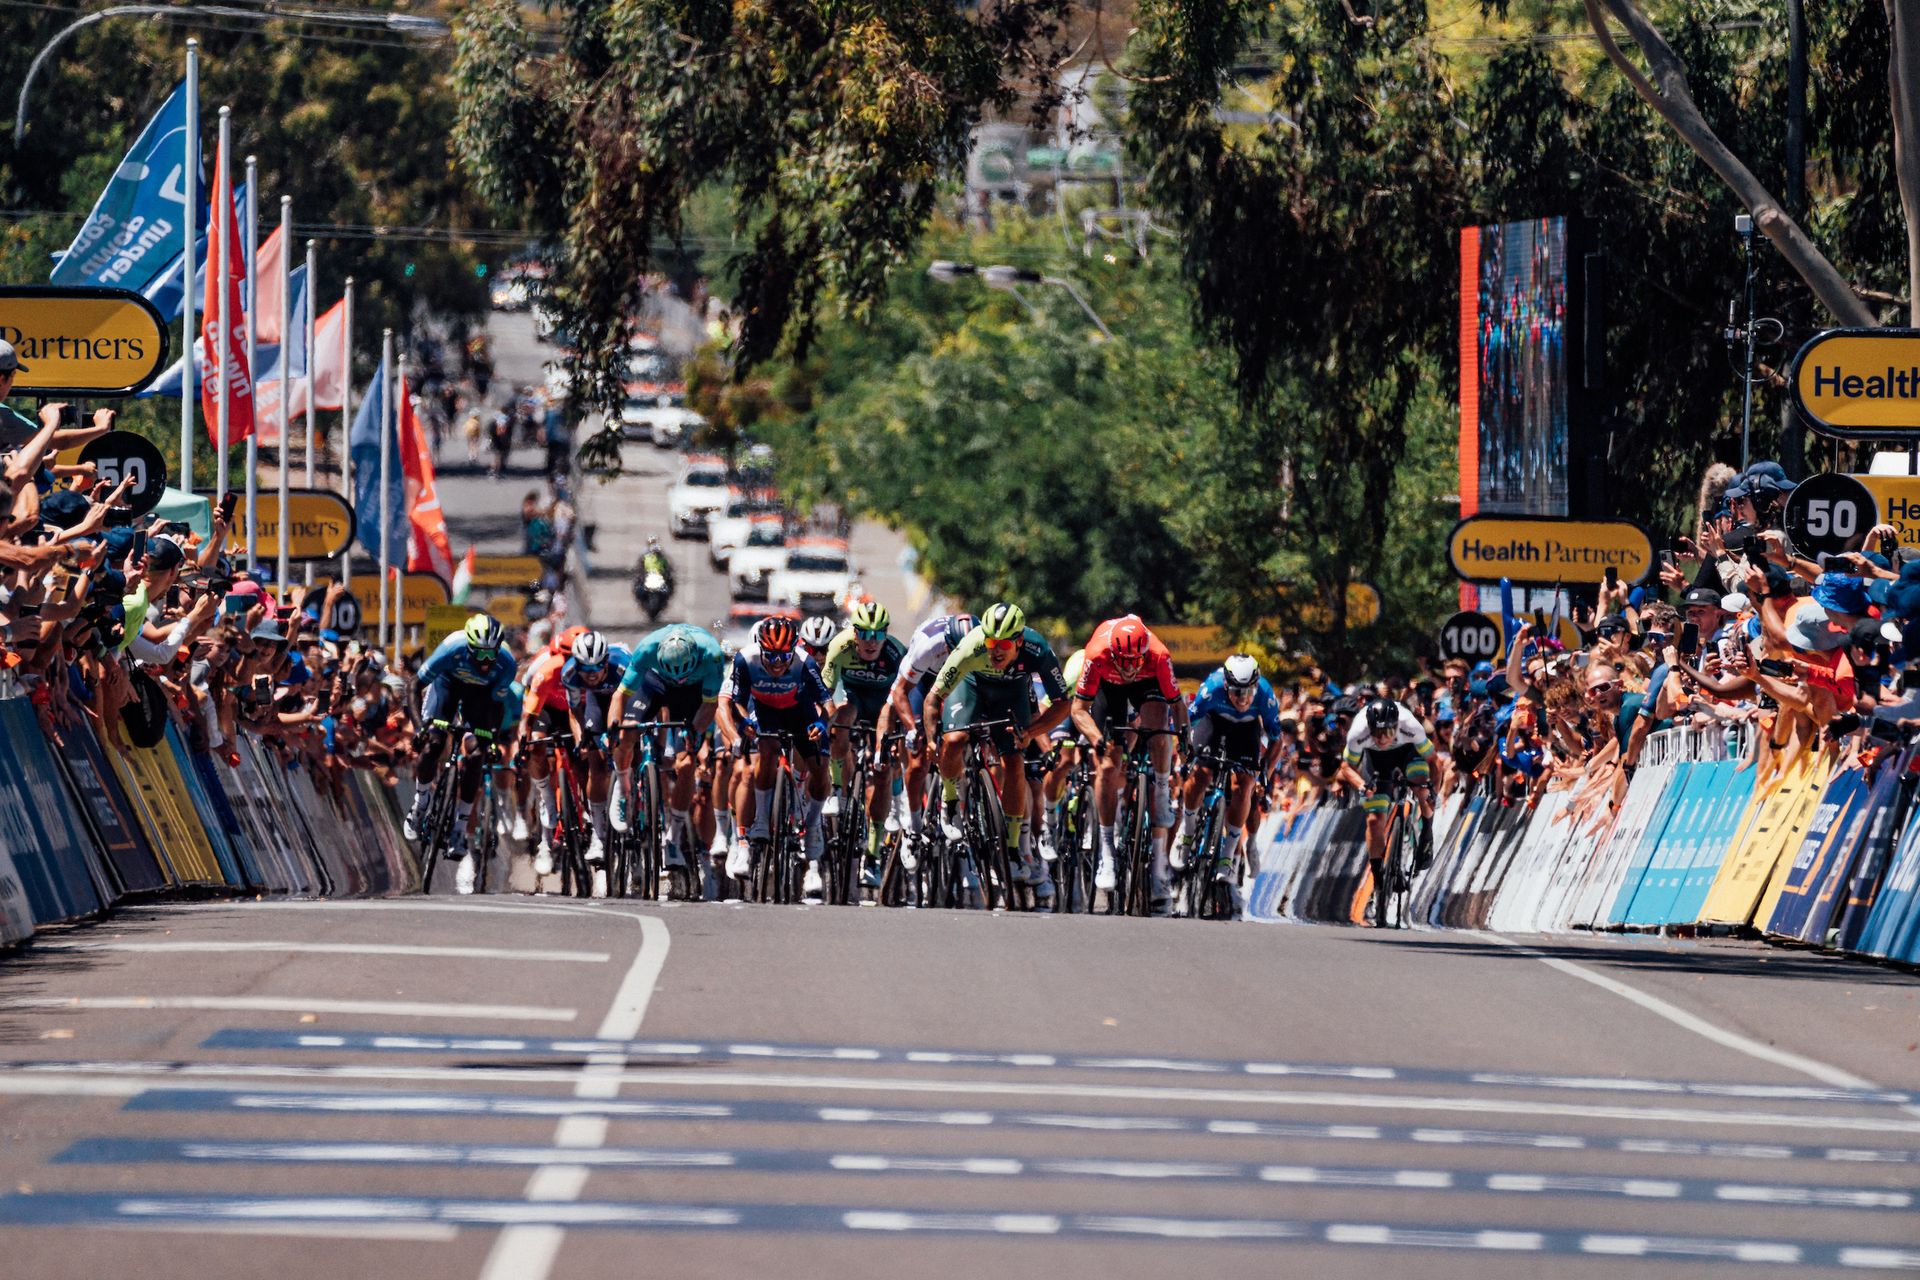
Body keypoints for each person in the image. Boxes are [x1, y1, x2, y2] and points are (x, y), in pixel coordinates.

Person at [924, 602, 1072, 905]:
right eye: (991, 642)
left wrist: (1031, 732)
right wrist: (930, 741)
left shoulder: (1038, 650)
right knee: (954, 740)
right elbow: (933, 697)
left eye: (1003, 644)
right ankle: (951, 801)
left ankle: (1014, 847)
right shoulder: (970, 647)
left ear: (1018, 642)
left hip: (1012, 691)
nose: (996, 650)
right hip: (972, 686)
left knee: (1015, 761)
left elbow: (1063, 704)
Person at [1069, 614, 1189, 913]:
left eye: (1135, 660)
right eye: (1124, 660)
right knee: (1109, 764)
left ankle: (1160, 791)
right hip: (1109, 691)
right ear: (1114, 653)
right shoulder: (1096, 653)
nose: (1129, 667)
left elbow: (1177, 705)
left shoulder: (1159, 655)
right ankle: (1107, 851)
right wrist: (1098, 740)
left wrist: (1184, 741)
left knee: (1160, 727)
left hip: (1147, 687)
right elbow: (1078, 710)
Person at [716, 615, 834, 895]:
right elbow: (737, 703)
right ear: (760, 648)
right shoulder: (745, 660)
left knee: (820, 764)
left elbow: (827, 703)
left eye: (784, 656)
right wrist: (743, 724)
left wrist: (822, 723)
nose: (778, 663)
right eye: (771, 656)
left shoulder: (804, 662)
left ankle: (813, 823)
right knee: (765, 749)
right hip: (765, 710)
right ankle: (758, 824)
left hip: (799, 710)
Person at [406, 614, 520, 894]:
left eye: (490, 653)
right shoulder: (451, 648)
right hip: (447, 686)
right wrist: (420, 728)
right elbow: (413, 686)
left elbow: (496, 707)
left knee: (475, 756)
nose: (484, 659)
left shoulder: (506, 664)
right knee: (433, 743)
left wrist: (489, 738)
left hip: (479, 698)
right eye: (479, 652)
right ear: (469, 646)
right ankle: (421, 801)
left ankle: (459, 827)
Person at [608, 622, 727, 876]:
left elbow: (709, 706)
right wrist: (613, 732)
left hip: (692, 694)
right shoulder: (647, 648)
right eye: (674, 672)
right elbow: (619, 696)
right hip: (655, 683)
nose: (678, 677)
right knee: (627, 730)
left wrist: (693, 732)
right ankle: (622, 785)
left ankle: (673, 837)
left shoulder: (712, 654)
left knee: (686, 764)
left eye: (682, 672)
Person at [819, 600, 907, 884]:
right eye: (865, 634)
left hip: (885, 705)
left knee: (882, 767)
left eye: (878, 635)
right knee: (840, 719)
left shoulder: (896, 653)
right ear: (854, 632)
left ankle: (872, 854)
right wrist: (826, 724)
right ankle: (836, 790)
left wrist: (889, 741)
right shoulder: (840, 647)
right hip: (854, 698)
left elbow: (901, 701)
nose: (871, 642)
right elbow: (826, 695)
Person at [1180, 654, 1287, 883]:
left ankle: (1228, 857)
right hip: (1214, 724)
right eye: (1237, 692)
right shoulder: (1212, 688)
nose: (1243, 699)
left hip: (1246, 731)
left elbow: (1277, 741)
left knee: (1244, 785)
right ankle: (1187, 832)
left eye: (1249, 692)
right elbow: (1186, 725)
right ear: (1226, 685)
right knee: (1200, 775)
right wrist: (1186, 757)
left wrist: (1263, 776)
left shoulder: (1266, 696)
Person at [1340, 694, 1435, 918]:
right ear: (1369, 728)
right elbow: (1346, 768)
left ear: (1397, 726)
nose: (1383, 738)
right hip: (1376, 763)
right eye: (1378, 733)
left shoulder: (1410, 725)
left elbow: (1434, 762)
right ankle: (1378, 876)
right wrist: (1363, 786)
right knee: (1374, 819)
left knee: (1421, 788)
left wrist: (1433, 792)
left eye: (1389, 732)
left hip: (1408, 754)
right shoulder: (1358, 732)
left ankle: (1427, 832)